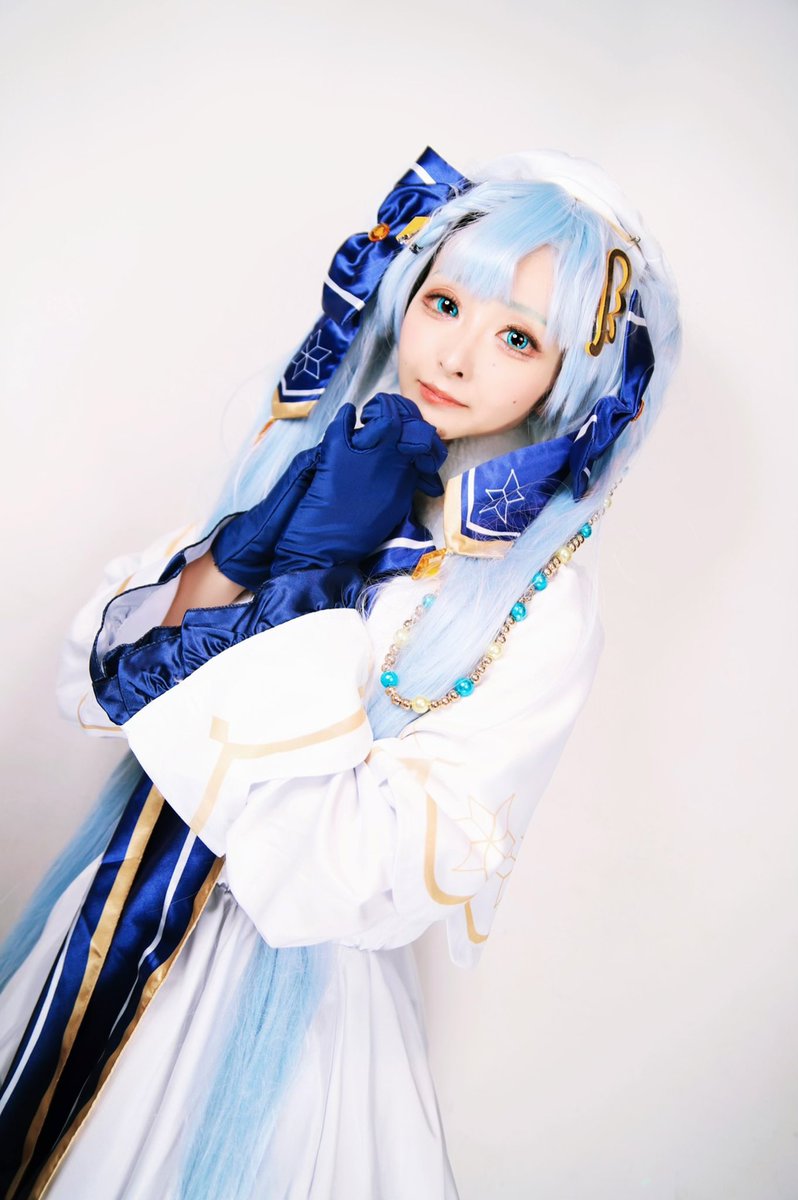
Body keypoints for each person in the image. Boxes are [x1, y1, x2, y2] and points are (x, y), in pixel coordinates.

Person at [0, 147, 681, 1200]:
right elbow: (97, 691)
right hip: (107, 907)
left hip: (273, 999)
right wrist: (244, 555)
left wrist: (308, 584)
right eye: (444, 302)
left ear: (571, 382)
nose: (454, 356)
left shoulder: (540, 603)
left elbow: (357, 874)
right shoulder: (315, 458)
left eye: (515, 337)